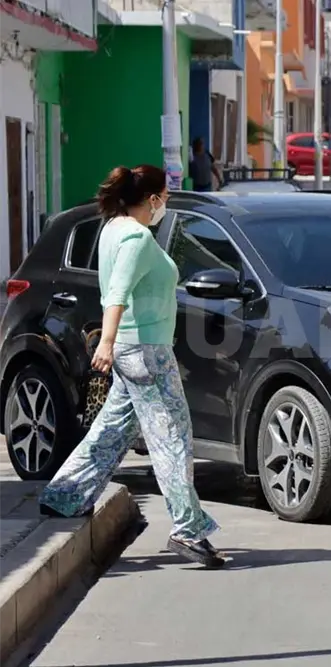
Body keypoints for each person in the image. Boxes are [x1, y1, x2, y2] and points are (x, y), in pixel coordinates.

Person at [38, 165, 225, 568]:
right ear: (153, 198)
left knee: (111, 430)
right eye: (167, 196)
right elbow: (117, 293)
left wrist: (112, 344)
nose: (168, 202)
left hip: (131, 350)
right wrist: (104, 342)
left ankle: (64, 495)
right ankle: (188, 531)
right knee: (172, 438)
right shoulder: (137, 237)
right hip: (146, 350)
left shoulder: (112, 229)